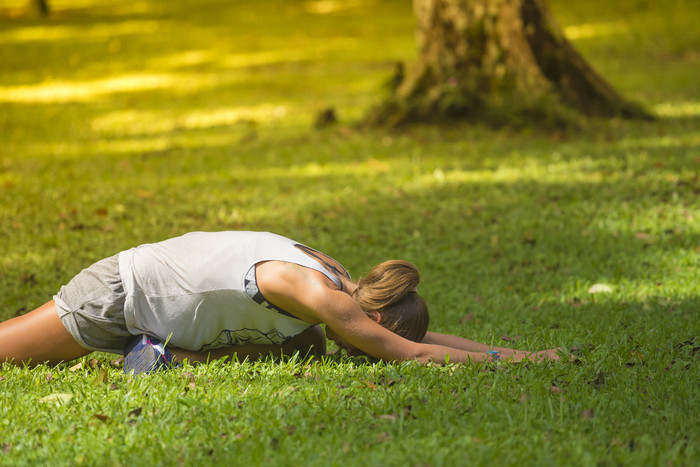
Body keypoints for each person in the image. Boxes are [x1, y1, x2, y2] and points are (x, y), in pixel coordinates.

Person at [0, 231, 562, 373]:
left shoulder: (341, 285)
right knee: (10, 351)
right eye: (372, 341)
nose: (365, 350)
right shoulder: (321, 293)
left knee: (308, 348)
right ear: (374, 319)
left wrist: (501, 351)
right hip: (125, 294)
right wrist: (522, 362)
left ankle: (161, 356)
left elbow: (415, 342)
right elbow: (409, 353)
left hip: (165, 315)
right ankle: (155, 347)